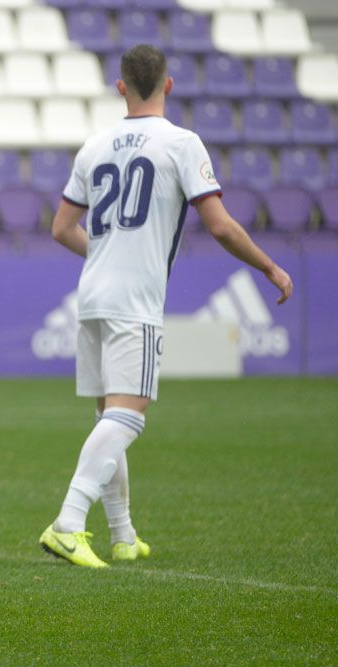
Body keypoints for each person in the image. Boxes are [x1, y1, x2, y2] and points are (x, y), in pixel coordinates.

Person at [40, 44, 293, 568]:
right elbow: (219, 224)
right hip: (135, 300)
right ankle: (68, 522)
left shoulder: (95, 145)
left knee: (110, 417)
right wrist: (269, 266)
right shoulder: (181, 143)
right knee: (128, 419)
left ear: (120, 88)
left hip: (92, 295)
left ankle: (123, 534)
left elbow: (62, 228)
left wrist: (106, 252)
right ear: (169, 84)